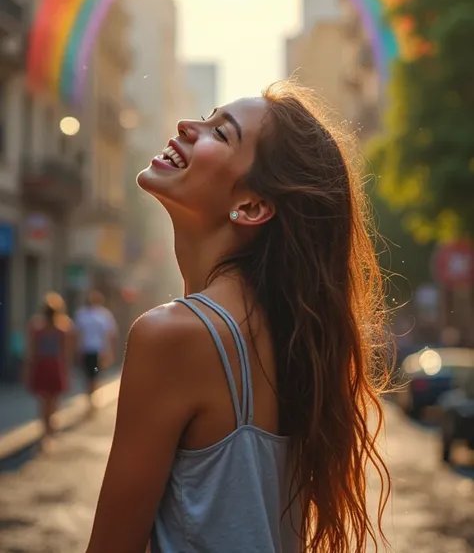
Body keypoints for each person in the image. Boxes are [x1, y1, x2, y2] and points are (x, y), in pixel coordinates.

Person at [86, 81, 391, 553]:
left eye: (219, 133)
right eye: (208, 118)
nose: (187, 126)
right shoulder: (290, 337)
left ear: (251, 206)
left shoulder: (175, 335)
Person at [25, 292, 74, 446]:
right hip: (55, 365)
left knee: (43, 400)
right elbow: (66, 353)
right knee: (54, 399)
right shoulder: (63, 328)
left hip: (41, 365)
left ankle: (45, 428)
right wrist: (66, 370)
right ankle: (50, 425)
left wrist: (27, 370)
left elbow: (32, 351)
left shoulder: (36, 327)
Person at [75, 290, 118, 407]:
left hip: (99, 351)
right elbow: (78, 334)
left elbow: (109, 335)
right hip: (86, 350)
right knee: (88, 376)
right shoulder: (82, 314)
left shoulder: (104, 315)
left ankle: (92, 398)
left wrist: (109, 352)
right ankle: (91, 398)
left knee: (95, 375)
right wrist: (78, 350)